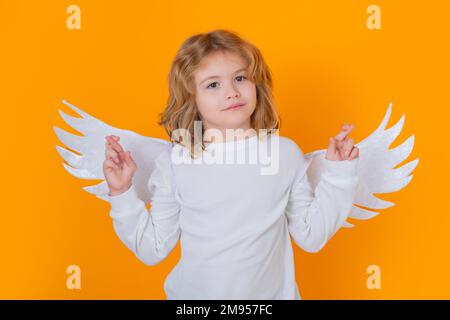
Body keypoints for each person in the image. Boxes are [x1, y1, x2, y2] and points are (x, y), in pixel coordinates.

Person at [102, 29, 359, 299]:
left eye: (240, 78)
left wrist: (339, 175)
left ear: (256, 84)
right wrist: (122, 193)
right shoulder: (176, 162)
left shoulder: (284, 153)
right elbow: (152, 249)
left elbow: (311, 236)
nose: (232, 92)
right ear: (192, 99)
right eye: (213, 85)